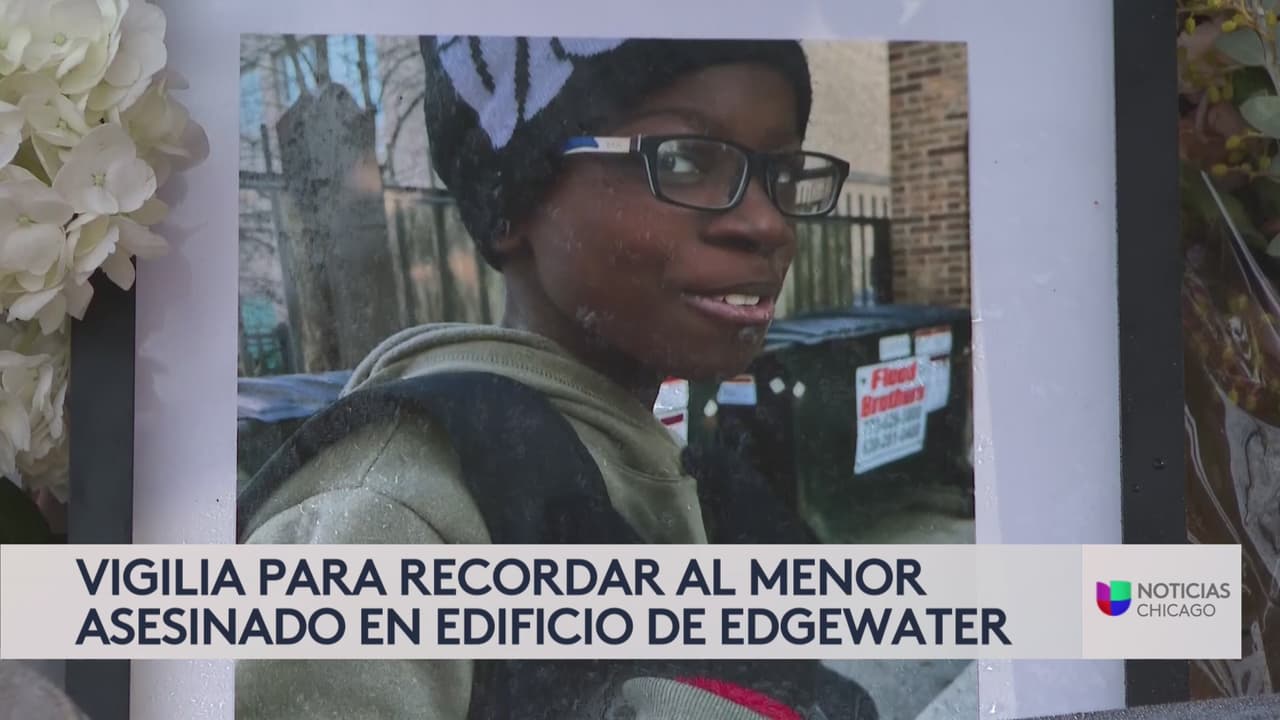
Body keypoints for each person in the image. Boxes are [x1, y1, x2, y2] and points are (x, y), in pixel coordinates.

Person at [237, 35, 875, 719]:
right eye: (686, 160)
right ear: (515, 204)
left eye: (780, 170)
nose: (767, 223)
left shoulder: (678, 470)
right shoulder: (401, 522)